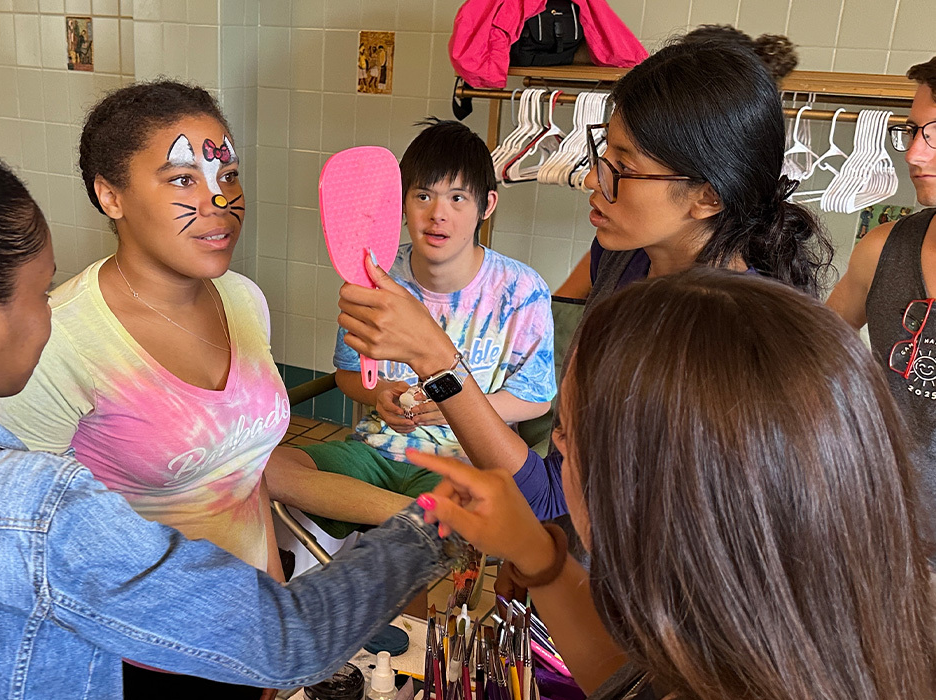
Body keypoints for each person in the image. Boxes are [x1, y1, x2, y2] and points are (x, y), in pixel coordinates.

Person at [0, 108, 455, 700]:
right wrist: (434, 525)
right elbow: (289, 639)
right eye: (40, 291)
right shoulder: (43, 506)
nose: (52, 310)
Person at [412, 269, 936, 700]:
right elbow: (637, 694)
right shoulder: (820, 641)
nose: (560, 453)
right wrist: (536, 553)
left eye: (566, 434)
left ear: (647, 493)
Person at [336, 34, 834, 524]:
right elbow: (556, 477)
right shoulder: (624, 257)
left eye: (623, 167)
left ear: (707, 196)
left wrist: (436, 359)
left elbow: (555, 497)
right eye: (604, 153)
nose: (594, 178)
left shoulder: (726, 344)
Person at [0, 81, 288, 700]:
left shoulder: (243, 300)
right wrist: (84, 698)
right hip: (132, 658)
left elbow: (245, 476)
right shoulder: (61, 338)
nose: (219, 202)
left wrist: (272, 609)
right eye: (182, 179)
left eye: (227, 174)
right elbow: (15, 545)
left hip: (242, 626)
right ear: (111, 195)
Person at [265, 119, 554, 542]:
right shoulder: (375, 279)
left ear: (487, 205)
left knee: (456, 516)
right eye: (423, 196)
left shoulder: (522, 291)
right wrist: (379, 394)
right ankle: (411, 518)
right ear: (402, 202)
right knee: (265, 471)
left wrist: (460, 405)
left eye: (457, 198)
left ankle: (408, 524)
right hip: (375, 453)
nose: (438, 214)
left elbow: (536, 400)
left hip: (460, 466)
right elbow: (349, 375)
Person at [827, 56, 936, 550]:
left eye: (934, 134)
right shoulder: (882, 247)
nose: (914, 154)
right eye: (912, 131)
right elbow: (811, 356)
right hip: (878, 534)